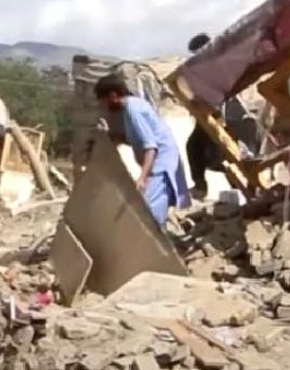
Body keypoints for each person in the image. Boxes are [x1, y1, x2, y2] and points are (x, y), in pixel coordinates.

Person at [94, 73, 190, 227]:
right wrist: (109, 135)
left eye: (103, 102)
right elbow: (135, 139)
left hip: (161, 165)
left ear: (112, 95)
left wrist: (143, 177)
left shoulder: (133, 110)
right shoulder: (132, 107)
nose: (103, 106)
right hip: (159, 164)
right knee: (152, 210)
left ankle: (156, 247)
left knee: (148, 212)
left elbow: (151, 146)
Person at [182, 33, 261, 199]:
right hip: (218, 116)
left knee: (235, 155)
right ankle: (202, 186)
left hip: (234, 117)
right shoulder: (204, 69)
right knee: (196, 145)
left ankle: (248, 192)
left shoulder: (222, 62)